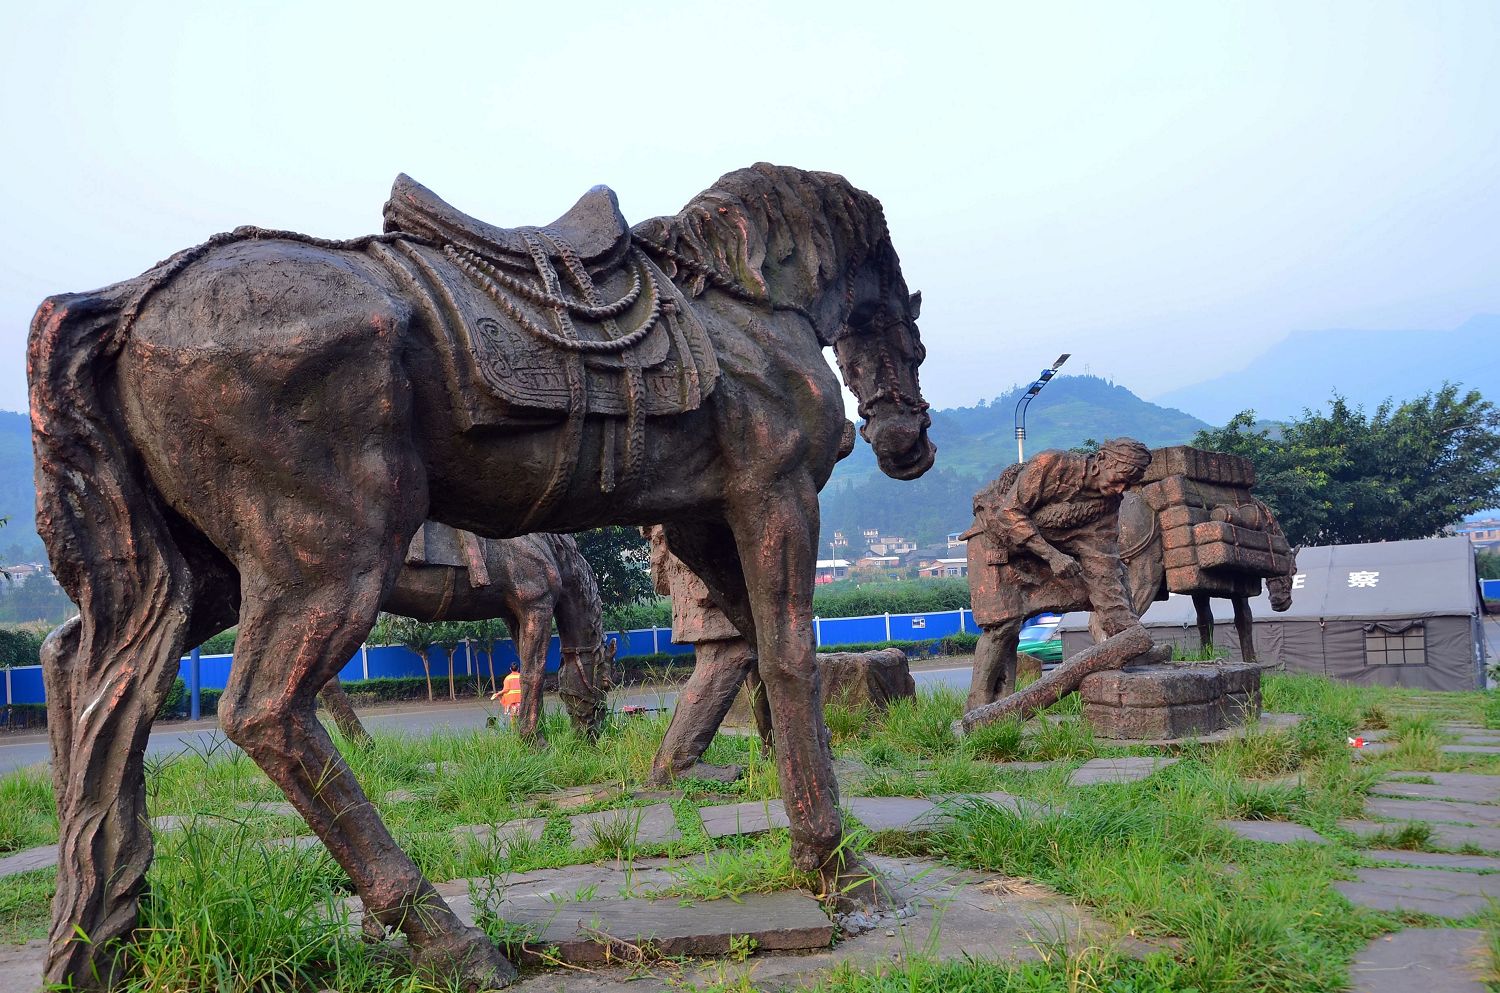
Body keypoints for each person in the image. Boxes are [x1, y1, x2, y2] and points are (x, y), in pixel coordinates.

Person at [964, 438, 1152, 711]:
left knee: (1116, 577)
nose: (1121, 488)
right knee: (1003, 626)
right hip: (994, 542)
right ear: (1100, 461)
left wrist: (1129, 634)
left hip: (1046, 556)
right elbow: (1009, 512)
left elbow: (1104, 571)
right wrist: (1052, 556)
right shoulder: (1052, 464)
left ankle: (1005, 710)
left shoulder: (1107, 507)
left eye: (1129, 484)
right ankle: (978, 709)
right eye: (1120, 478)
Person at [642, 526, 774, 785]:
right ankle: (675, 765)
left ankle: (782, 744)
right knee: (729, 655)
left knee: (761, 651)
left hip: (704, 554)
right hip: (707, 562)